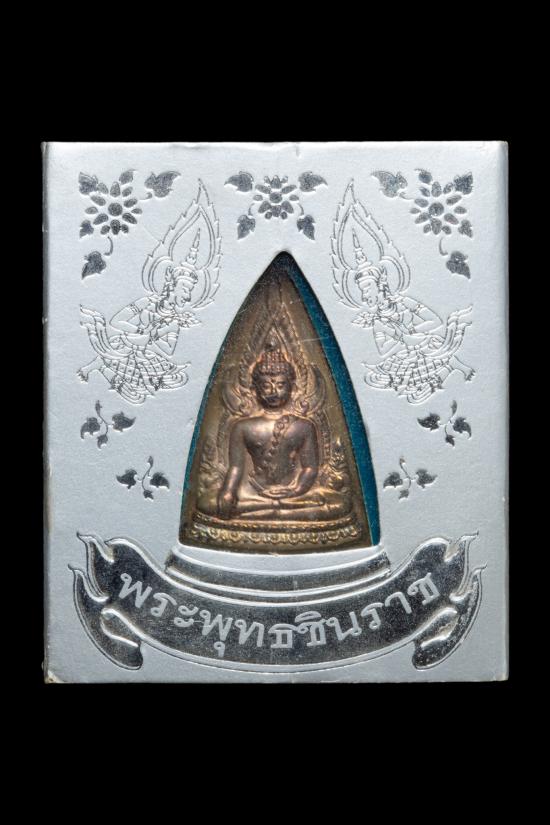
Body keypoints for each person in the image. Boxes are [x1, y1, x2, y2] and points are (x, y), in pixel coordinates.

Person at [198, 339, 350, 522]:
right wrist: (228, 491)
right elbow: (236, 467)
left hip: (293, 495)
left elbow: (310, 468)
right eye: (266, 386)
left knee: (342, 504)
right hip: (253, 493)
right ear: (254, 389)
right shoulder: (242, 426)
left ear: (293, 388)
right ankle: (276, 510)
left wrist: (294, 490)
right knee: (207, 503)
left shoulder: (304, 426)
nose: (273, 391)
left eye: (280, 385)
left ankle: (267, 510)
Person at [79, 239, 200, 404]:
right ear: (172, 285)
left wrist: (158, 334)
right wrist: (140, 332)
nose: (188, 297)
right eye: (185, 290)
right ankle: (100, 368)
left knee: (176, 379)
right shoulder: (147, 302)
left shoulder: (175, 320)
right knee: (121, 350)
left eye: (190, 292)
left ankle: (103, 367)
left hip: (147, 357)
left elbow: (168, 350)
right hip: (126, 346)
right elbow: (116, 321)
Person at [354, 254, 474, 404]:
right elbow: (383, 350)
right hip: (403, 356)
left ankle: (449, 368)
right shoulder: (378, 321)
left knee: (433, 349)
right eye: (362, 291)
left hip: (423, 345)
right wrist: (399, 338)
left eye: (366, 289)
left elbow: (435, 321)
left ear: (380, 284)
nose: (364, 296)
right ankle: (450, 368)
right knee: (378, 380)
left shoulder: (404, 302)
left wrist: (412, 333)